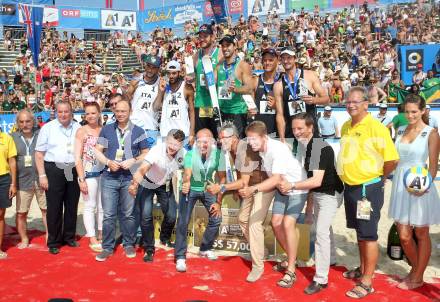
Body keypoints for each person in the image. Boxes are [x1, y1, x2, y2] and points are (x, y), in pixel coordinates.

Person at [337, 87, 399, 298]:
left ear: (366, 103)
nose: (351, 104)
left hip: (367, 189)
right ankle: (363, 269)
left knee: (369, 234)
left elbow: (392, 160)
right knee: (360, 232)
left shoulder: (376, 127)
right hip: (351, 188)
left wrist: (379, 179)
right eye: (348, 101)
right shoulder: (346, 126)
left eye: (355, 101)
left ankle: (367, 281)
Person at [279, 113, 343, 294]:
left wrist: (291, 185)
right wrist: (309, 207)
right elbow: (313, 183)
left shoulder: (317, 147)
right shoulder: (306, 146)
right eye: (294, 128)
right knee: (323, 226)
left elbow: (315, 181)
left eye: (300, 128)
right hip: (319, 193)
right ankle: (330, 259)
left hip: (331, 193)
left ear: (311, 128)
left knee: (320, 231)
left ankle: (321, 279)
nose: (296, 132)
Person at [238, 121, 307, 288]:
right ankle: (292, 258)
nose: (251, 142)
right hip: (281, 189)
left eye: (254, 139)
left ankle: (287, 269)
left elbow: (275, 178)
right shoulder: (263, 149)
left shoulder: (277, 149)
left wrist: (253, 189)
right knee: (275, 223)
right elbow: (276, 180)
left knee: (286, 224)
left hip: (297, 188)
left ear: (264, 137)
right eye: (249, 139)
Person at [207, 123, 271, 282]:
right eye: (219, 138)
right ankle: (261, 250)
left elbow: (242, 182)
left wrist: (222, 187)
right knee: (242, 219)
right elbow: (240, 176)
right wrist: (233, 188)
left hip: (264, 186)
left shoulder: (243, 150)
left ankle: (258, 266)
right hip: (250, 187)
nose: (221, 141)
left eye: (224, 138)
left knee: (254, 223)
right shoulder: (231, 150)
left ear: (234, 138)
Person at [388, 94, 440, 290]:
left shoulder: (431, 133)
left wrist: (424, 186)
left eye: (414, 112)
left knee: (421, 232)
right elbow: (394, 159)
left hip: (420, 187)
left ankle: (417, 277)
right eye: (407, 111)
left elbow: (433, 167)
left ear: (423, 111)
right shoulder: (401, 129)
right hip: (400, 186)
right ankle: (417, 270)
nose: (410, 115)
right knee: (404, 235)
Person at [93, 100, 148, 262]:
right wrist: (108, 162)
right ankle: (107, 247)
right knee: (109, 215)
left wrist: (133, 160)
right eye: (117, 111)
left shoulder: (138, 131)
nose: (120, 114)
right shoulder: (107, 130)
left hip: (130, 178)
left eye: (124, 111)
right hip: (109, 177)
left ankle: (128, 243)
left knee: (129, 214)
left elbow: (146, 152)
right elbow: (97, 150)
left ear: (130, 111)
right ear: (114, 112)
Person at [128, 129, 186, 262]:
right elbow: (142, 169)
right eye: (170, 143)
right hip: (148, 183)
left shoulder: (184, 154)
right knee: (146, 216)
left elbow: (191, 168)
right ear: (166, 140)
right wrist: (134, 184)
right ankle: (149, 248)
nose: (172, 147)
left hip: (165, 185)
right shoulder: (156, 150)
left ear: (181, 145)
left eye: (176, 144)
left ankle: (164, 238)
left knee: (171, 215)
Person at [175, 128, 225, 272]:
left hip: (207, 189)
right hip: (190, 189)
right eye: (200, 141)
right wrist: (186, 183)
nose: (203, 145)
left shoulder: (219, 155)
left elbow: (222, 179)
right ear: (195, 143)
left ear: (212, 142)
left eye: (206, 141)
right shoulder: (190, 154)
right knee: (183, 221)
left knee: (216, 218)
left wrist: (218, 202)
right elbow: (187, 173)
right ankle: (180, 257)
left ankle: (205, 248)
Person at [35, 101, 81, 255]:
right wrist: (42, 175)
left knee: (71, 204)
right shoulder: (48, 128)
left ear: (71, 112)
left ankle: (69, 237)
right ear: (55, 112)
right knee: (54, 206)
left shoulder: (78, 127)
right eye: (60, 111)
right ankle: (54, 241)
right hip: (54, 169)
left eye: (66, 111)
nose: (63, 115)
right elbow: (39, 154)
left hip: (73, 168)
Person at [273, 47, 329, 141]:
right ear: (280, 60)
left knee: (313, 155)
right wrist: (282, 138)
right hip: (291, 133)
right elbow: (280, 115)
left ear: (295, 59)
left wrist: (314, 100)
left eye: (289, 58)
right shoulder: (278, 85)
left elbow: (326, 99)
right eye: (283, 58)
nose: (286, 61)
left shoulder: (309, 75)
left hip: (309, 131)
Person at [11, 110, 47, 249]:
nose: (25, 124)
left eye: (28, 121)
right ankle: (24, 239)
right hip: (22, 181)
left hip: (42, 179)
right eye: (21, 122)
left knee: (46, 210)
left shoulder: (42, 135)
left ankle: (49, 235)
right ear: (17, 123)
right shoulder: (12, 137)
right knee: (21, 213)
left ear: (33, 121)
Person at [74, 102, 103, 252]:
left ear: (99, 113)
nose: (91, 116)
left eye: (93, 113)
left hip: (104, 174)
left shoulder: (105, 130)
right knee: (90, 206)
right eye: (88, 113)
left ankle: (101, 233)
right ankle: (92, 237)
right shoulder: (81, 131)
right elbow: (77, 157)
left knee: (102, 206)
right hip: (89, 174)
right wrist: (81, 179)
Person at [215, 35, 254, 137]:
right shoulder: (219, 65)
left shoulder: (242, 65)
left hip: (237, 112)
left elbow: (249, 88)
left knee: (237, 145)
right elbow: (211, 84)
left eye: (228, 45)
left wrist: (235, 89)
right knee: (224, 144)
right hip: (222, 111)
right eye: (223, 46)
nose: (225, 48)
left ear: (235, 46)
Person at [192, 24, 223, 138]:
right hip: (201, 104)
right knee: (201, 140)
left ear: (212, 37)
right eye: (200, 36)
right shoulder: (196, 55)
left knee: (218, 140)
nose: (202, 39)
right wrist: (190, 79)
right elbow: (192, 77)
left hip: (216, 104)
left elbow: (232, 73)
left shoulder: (220, 54)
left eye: (205, 36)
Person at [153, 61, 195, 144]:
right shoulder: (163, 86)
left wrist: (192, 133)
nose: (171, 76)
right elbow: (155, 108)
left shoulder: (186, 87)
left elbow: (192, 111)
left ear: (179, 73)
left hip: (183, 134)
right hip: (166, 134)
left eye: (174, 73)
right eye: (169, 73)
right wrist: (160, 92)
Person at [125, 54, 161, 148]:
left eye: (153, 67)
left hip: (151, 126)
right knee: (130, 157)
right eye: (148, 66)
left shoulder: (161, 84)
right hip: (134, 125)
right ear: (145, 65)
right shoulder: (136, 80)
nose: (150, 70)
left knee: (148, 160)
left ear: (158, 69)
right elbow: (126, 98)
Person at [251, 48, 282, 137]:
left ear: (277, 61)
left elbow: (289, 107)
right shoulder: (256, 80)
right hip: (260, 132)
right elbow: (250, 109)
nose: (267, 63)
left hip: (277, 131)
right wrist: (250, 111)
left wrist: (277, 106)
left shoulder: (282, 80)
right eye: (265, 60)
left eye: (271, 60)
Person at [0, 128, 17, 259]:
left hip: (4, 180)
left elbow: (12, 162)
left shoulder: (6, 138)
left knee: (1, 214)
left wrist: (13, 183)